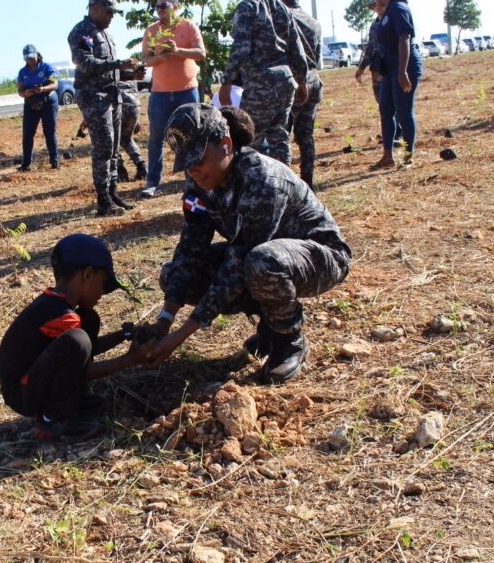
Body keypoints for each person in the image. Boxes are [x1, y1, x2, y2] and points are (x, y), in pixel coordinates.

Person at [148, 104, 351, 385]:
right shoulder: (200, 181)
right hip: (261, 256)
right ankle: (270, 322)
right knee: (174, 275)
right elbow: (191, 248)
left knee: (260, 262)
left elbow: (238, 264)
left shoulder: (263, 180)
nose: (193, 170)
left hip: (321, 257)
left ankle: (289, 340)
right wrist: (164, 319)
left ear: (226, 145)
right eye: (186, 162)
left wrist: (182, 334)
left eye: (198, 158)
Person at [0, 234, 156, 441]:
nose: (102, 293)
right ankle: (52, 419)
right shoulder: (60, 314)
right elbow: (84, 369)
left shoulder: (57, 305)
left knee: (87, 322)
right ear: (87, 274)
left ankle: (71, 403)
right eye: (103, 284)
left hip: (31, 382)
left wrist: (124, 334)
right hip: (22, 393)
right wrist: (131, 359)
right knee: (77, 339)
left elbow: (85, 351)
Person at [220, 0, 308, 166]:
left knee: (250, 139)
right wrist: (301, 81)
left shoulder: (247, 6)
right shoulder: (284, 8)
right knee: (280, 138)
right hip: (285, 81)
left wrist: (227, 81)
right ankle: (284, 188)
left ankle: (255, 188)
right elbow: (297, 49)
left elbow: (241, 48)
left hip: (260, 83)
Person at [67, 0, 142, 216]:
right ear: (95, 7)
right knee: (104, 147)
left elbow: (110, 71)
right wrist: (119, 63)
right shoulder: (81, 32)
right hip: (94, 97)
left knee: (114, 147)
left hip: (112, 95)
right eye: (109, 11)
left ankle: (112, 192)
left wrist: (130, 75)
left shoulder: (105, 33)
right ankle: (103, 200)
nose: (112, 17)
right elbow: (85, 63)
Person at [140, 0, 206, 198]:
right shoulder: (151, 30)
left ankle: (194, 180)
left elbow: (201, 54)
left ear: (176, 6)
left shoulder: (188, 26)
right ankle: (153, 182)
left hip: (187, 92)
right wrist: (162, 56)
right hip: (160, 94)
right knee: (156, 139)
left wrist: (178, 51)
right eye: (157, 6)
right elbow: (146, 60)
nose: (160, 9)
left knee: (191, 136)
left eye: (164, 5)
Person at [277, 0, 324, 188]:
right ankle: (308, 182)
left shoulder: (280, 18)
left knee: (281, 136)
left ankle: (284, 185)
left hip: (291, 82)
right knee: (306, 136)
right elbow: (315, 54)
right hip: (312, 80)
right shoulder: (314, 23)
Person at [372, 0, 423, 169]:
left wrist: (403, 72)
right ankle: (387, 156)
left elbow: (404, 39)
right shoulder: (387, 11)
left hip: (405, 65)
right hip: (391, 67)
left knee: (403, 111)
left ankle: (408, 157)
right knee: (385, 109)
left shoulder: (398, 8)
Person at [355, 0, 402, 146]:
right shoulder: (374, 26)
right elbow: (370, 48)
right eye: (375, 6)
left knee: (394, 102)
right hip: (377, 68)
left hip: (392, 66)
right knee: (382, 102)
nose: (377, 8)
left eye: (380, 5)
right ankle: (391, 133)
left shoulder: (393, 21)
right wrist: (361, 68)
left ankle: (397, 133)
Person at [16, 44, 60, 172]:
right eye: (27, 57)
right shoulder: (22, 72)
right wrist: (24, 94)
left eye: (32, 56)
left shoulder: (48, 67)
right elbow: (19, 90)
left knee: (49, 132)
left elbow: (55, 84)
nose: (30, 59)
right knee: (28, 133)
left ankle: (54, 161)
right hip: (31, 104)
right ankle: (26, 164)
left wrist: (42, 89)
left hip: (48, 102)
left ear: (37, 54)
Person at [115, 65, 147, 183]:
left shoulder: (109, 72)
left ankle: (120, 170)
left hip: (119, 104)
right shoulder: (132, 77)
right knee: (127, 139)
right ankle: (141, 166)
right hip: (134, 106)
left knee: (113, 139)